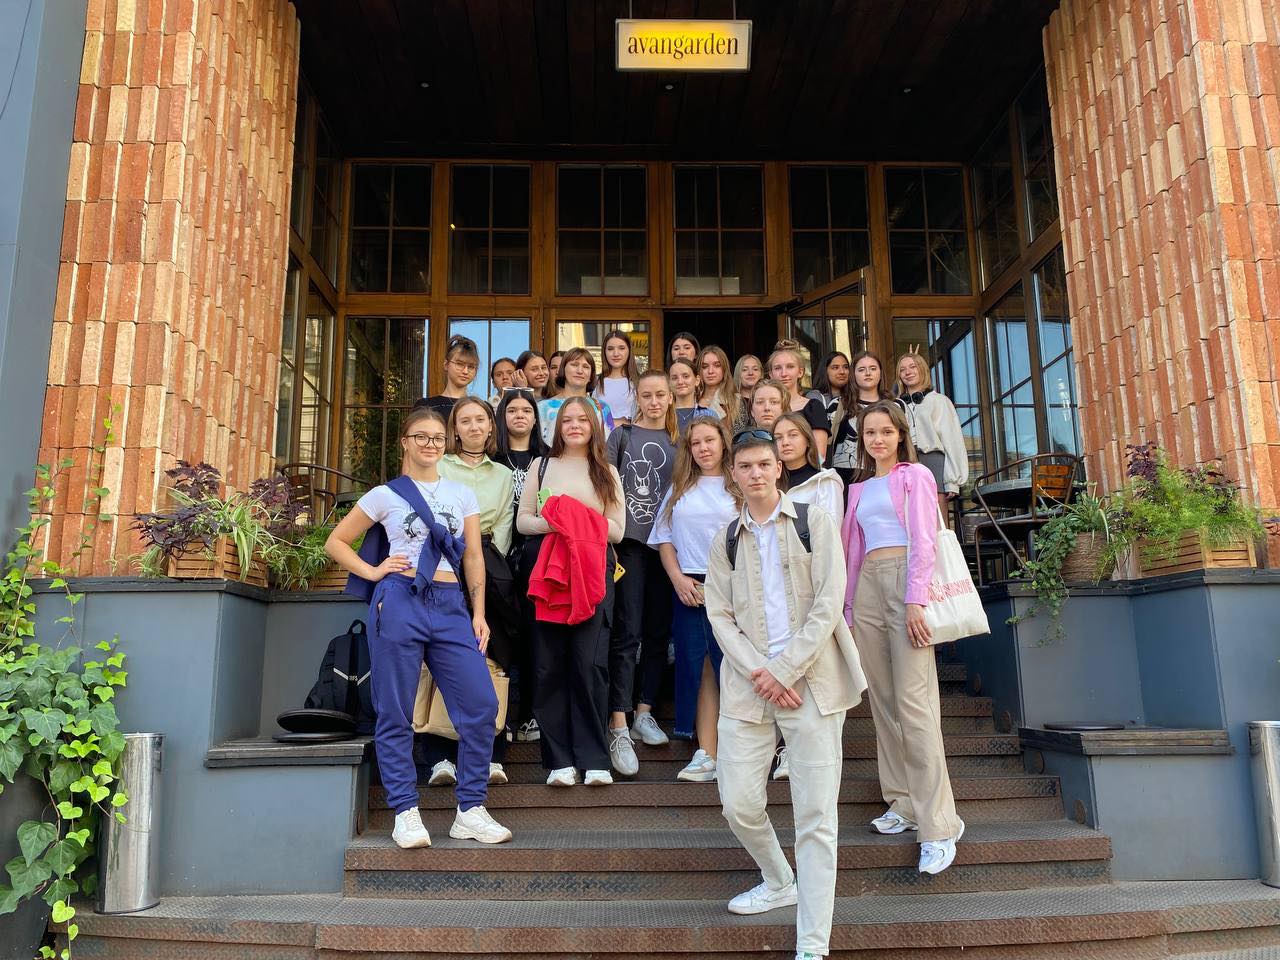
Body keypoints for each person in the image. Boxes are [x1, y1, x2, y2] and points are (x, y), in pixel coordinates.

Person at [704, 429, 866, 960]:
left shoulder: (814, 522)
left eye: (763, 464)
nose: (755, 473)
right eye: (745, 466)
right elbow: (719, 615)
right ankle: (778, 880)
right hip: (748, 687)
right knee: (738, 803)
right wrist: (763, 672)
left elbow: (829, 603)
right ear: (734, 474)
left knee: (816, 819)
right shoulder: (726, 538)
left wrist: (787, 669)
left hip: (812, 683)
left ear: (779, 467)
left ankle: (812, 946)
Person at [326, 406, 512, 848]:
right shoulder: (384, 495)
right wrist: (373, 572)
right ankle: (406, 812)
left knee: (481, 704)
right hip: (399, 599)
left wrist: (479, 612)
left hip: (450, 605)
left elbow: (472, 557)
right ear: (405, 442)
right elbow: (336, 541)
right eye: (422, 436)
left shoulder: (462, 494)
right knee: (395, 709)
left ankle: (470, 810)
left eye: (438, 438)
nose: (431, 444)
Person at [841, 400, 965, 876]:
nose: (877, 439)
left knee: (915, 706)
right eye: (869, 433)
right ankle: (903, 803)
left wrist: (916, 600)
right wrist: (849, 609)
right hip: (868, 588)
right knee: (883, 702)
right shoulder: (857, 488)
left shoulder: (916, 476)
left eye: (885, 432)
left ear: (900, 435)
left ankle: (939, 824)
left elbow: (925, 539)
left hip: (906, 583)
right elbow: (853, 552)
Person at [516, 396, 625, 787]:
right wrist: (564, 523)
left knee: (589, 663)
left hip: (593, 571)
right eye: (568, 420)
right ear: (557, 426)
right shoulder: (541, 465)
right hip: (547, 572)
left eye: (583, 419)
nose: (575, 425)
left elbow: (618, 531)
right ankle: (559, 760)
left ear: (594, 426)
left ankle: (595, 759)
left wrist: (573, 518)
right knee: (548, 665)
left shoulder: (607, 471)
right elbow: (524, 522)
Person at [426, 398, 518, 788]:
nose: (474, 426)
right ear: (455, 428)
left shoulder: (503, 474)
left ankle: (491, 754)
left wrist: (487, 561)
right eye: (465, 420)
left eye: (481, 419)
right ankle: (440, 756)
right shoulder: (440, 466)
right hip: (442, 563)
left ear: (491, 427)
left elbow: (506, 523)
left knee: (490, 656)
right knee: (442, 655)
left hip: (489, 567)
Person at [648, 417, 739, 782]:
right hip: (689, 587)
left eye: (709, 440)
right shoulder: (680, 487)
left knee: (735, 666)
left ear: (723, 442)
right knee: (699, 668)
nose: (703, 448)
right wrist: (677, 579)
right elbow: (664, 538)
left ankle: (741, 752)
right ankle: (707, 753)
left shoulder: (740, 483)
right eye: (695, 443)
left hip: (734, 588)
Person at [606, 369, 679, 771]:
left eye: (660, 395)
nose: (654, 402)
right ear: (638, 398)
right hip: (628, 546)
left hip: (667, 547)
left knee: (657, 631)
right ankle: (618, 720)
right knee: (626, 630)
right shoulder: (622, 436)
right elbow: (604, 485)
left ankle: (644, 711)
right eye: (647, 395)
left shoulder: (680, 440)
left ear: (670, 398)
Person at [494, 388, 549, 745]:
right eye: (512, 410)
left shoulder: (547, 460)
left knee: (534, 637)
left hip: (536, 556)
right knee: (501, 639)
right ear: (503, 417)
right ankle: (500, 719)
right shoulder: (493, 460)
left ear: (535, 418)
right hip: (496, 558)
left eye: (526, 410)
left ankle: (530, 715)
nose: (519, 416)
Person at [894, 350, 968, 512]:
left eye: (913, 366)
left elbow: (952, 439)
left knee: (937, 517)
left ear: (922, 369)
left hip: (932, 460)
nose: (907, 372)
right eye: (902, 369)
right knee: (908, 514)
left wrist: (952, 480)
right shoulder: (896, 405)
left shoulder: (939, 401)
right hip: (904, 460)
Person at [830, 351, 892, 486]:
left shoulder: (896, 405)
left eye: (873, 368)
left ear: (881, 373)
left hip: (887, 474)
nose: (868, 373)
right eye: (861, 369)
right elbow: (825, 444)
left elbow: (909, 444)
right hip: (844, 477)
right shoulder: (838, 405)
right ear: (853, 375)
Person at [539, 347, 616, 445]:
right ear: (563, 370)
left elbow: (609, 445)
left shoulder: (602, 408)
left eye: (586, 367)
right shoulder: (543, 407)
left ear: (591, 375)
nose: (580, 371)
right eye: (574, 365)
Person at [772, 413, 842, 518]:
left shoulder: (825, 481)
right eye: (778, 438)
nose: (785, 442)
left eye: (793, 435)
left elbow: (832, 525)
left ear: (808, 440)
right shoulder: (770, 481)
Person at [768, 346, 831, 460]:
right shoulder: (765, 408)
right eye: (777, 368)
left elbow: (819, 456)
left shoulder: (813, 407)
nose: (784, 373)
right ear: (771, 374)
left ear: (800, 372)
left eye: (790, 367)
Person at [417, 334, 479, 416]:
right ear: (446, 364)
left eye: (471, 367)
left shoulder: (481, 408)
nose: (465, 371)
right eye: (459, 364)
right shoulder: (425, 406)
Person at [592, 329, 639, 424]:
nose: (616, 354)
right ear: (604, 352)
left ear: (629, 350)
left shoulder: (639, 381)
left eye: (621, 348)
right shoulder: (595, 382)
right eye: (610, 349)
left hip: (631, 432)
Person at [670, 358, 715, 433]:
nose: (680, 382)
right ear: (669, 382)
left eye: (686, 376)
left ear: (697, 380)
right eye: (674, 378)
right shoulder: (663, 415)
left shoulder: (709, 415)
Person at [699, 345, 740, 425]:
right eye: (705, 366)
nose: (710, 371)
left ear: (724, 369)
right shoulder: (691, 399)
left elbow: (741, 431)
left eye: (717, 365)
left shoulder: (736, 400)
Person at [806, 351, 850, 422]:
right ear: (825, 371)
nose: (842, 372)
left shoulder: (855, 396)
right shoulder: (815, 397)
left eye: (846, 367)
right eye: (835, 368)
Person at [732, 354, 764, 432]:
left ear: (761, 374)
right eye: (744, 370)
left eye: (755, 369)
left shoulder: (769, 399)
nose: (750, 373)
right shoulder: (730, 402)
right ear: (738, 374)